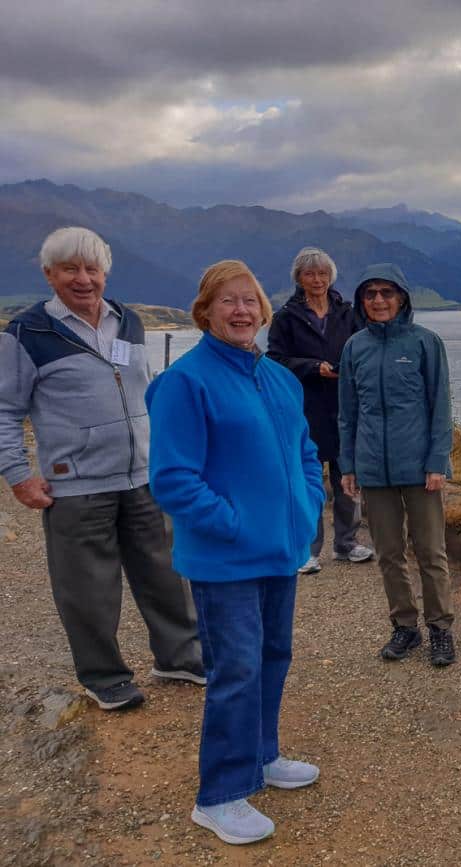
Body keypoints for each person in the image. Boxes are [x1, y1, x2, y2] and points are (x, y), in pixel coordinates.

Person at [146, 260, 324, 846]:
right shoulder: (186, 381)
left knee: (274, 654)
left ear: (264, 312)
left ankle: (262, 756)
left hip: (280, 550)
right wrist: (237, 525)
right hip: (225, 558)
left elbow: (303, 449)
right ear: (205, 312)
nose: (242, 311)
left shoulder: (278, 378)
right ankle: (219, 793)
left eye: (250, 301)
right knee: (236, 668)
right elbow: (173, 479)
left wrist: (307, 505)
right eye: (228, 301)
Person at [0, 226, 203, 712]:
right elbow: (5, 409)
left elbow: (143, 391)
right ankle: (104, 676)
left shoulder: (128, 322)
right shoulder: (28, 332)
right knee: (88, 588)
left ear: (105, 272)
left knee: (167, 574)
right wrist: (18, 474)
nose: (83, 279)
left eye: (92, 268)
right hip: (77, 485)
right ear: (50, 274)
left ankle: (179, 656)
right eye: (70, 268)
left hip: (144, 477)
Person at [337, 264, 456, 666]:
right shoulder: (355, 347)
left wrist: (438, 461)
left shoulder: (426, 343)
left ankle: (441, 628)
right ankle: (405, 627)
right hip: (373, 468)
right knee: (388, 554)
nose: (378, 300)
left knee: (430, 552)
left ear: (402, 297)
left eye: (387, 293)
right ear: (362, 301)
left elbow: (441, 407)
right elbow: (347, 413)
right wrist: (348, 464)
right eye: (370, 294)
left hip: (421, 468)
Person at [267, 247, 373, 574]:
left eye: (323, 273)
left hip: (343, 406)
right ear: (299, 278)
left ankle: (347, 544)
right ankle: (309, 550)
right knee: (309, 480)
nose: (318, 280)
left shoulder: (347, 312)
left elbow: (362, 349)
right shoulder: (286, 317)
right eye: (310, 274)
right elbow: (276, 359)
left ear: (331, 276)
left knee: (347, 478)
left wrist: (344, 367)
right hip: (306, 409)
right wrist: (313, 367)